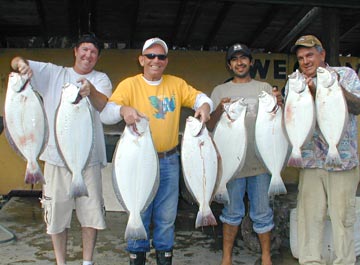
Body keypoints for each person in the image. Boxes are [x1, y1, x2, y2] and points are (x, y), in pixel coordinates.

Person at [99, 37, 213, 265]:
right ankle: (136, 256)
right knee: (138, 213)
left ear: (166, 61)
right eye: (150, 56)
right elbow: (105, 114)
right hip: (139, 162)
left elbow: (201, 97)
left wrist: (204, 106)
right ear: (141, 59)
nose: (155, 60)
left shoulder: (177, 84)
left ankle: (164, 258)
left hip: (169, 160)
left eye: (161, 56)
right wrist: (123, 110)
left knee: (166, 218)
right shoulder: (129, 85)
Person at [10, 33, 112, 265]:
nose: (88, 55)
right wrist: (21, 65)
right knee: (56, 217)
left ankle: (87, 262)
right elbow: (16, 61)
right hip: (55, 159)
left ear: (97, 57)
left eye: (94, 52)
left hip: (89, 160)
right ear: (75, 51)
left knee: (91, 215)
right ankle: (60, 262)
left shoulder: (101, 79)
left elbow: (102, 104)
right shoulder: (53, 73)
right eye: (84, 50)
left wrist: (91, 91)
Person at [286, 35, 360, 265]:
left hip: (343, 162)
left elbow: (357, 106)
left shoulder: (344, 75)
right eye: (300, 58)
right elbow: (292, 120)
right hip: (309, 162)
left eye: (310, 55)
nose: (305, 61)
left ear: (322, 54)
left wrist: (336, 89)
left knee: (343, 220)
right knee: (310, 221)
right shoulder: (295, 81)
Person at [207, 43, 282, 265]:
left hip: (261, 163)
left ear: (251, 62)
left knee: (262, 213)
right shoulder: (221, 91)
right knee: (231, 213)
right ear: (229, 65)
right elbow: (210, 124)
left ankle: (266, 257)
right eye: (234, 59)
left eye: (243, 58)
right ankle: (227, 258)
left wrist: (281, 102)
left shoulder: (265, 88)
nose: (239, 62)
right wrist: (220, 108)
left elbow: (278, 122)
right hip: (231, 166)